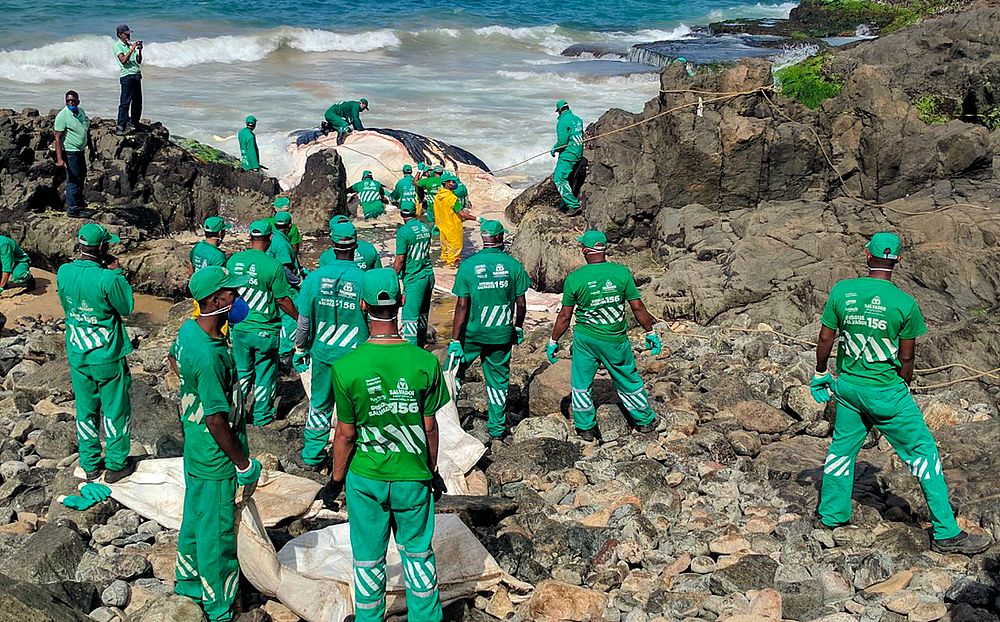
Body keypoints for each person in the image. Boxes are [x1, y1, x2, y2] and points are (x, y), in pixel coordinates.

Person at [810, 232, 990, 555]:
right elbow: (907, 358)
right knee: (923, 452)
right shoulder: (905, 304)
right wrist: (903, 387)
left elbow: (826, 340)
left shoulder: (842, 292)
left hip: (849, 387)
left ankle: (831, 515)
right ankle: (947, 532)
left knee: (841, 450)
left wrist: (821, 373)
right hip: (886, 392)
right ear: (899, 261)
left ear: (868, 256)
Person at [329, 268, 449, 622]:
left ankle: (369, 618)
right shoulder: (425, 362)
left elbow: (346, 434)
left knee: (368, 559)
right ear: (402, 302)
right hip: (413, 477)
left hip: (366, 478)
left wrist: (336, 480)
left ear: (362, 305)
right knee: (418, 555)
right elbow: (429, 426)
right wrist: (432, 470)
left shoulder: (346, 367)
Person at [169, 266, 261, 622]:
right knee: (218, 531)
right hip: (214, 454)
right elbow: (215, 419)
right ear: (217, 300)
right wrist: (242, 464)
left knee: (196, 515)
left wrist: (191, 389)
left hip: (195, 445)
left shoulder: (189, 330)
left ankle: (189, 582)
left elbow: (174, 360)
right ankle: (219, 604)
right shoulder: (209, 356)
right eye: (231, 294)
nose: (237, 299)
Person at [548, 231, 660, 442]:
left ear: (584, 250)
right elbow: (637, 306)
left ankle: (585, 428)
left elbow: (564, 316)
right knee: (627, 378)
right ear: (604, 249)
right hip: (615, 338)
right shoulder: (621, 273)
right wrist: (650, 331)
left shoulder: (574, 279)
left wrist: (553, 340)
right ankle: (644, 421)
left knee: (581, 383)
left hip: (586, 339)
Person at [57, 223, 135, 482]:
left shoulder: (64, 272)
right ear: (102, 248)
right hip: (106, 353)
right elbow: (125, 307)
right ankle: (115, 464)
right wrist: (118, 272)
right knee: (115, 409)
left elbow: (67, 305)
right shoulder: (108, 278)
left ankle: (89, 462)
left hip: (78, 352)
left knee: (86, 409)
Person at [293, 221, 368, 470]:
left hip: (323, 353)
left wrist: (300, 349)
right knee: (358, 408)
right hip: (356, 357)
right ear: (355, 246)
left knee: (320, 405)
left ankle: (312, 455)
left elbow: (304, 323)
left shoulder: (314, 279)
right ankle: (357, 456)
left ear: (331, 246)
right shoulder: (364, 280)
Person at [448, 220, 529, 440]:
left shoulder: (468, 266)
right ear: (501, 238)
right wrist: (518, 326)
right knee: (498, 381)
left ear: (483, 239)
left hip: (473, 334)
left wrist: (455, 339)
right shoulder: (513, 266)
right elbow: (521, 304)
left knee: (454, 373)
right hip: (501, 334)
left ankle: (448, 421)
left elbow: (462, 306)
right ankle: (496, 429)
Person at [225, 220, 298, 427]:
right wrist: (300, 319)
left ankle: (234, 415)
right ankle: (262, 417)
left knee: (242, 372)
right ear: (270, 239)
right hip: (265, 329)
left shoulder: (234, 261)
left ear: (250, 238)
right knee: (265, 373)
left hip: (239, 328)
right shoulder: (273, 266)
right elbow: (282, 300)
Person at [392, 201, 434, 346]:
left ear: (401, 214)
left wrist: (392, 276)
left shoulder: (403, 232)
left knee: (409, 318)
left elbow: (400, 258)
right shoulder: (424, 227)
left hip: (414, 278)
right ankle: (421, 343)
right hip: (428, 274)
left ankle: (411, 350)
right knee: (423, 314)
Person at [269, 211, 304, 368]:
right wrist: (299, 282)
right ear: (290, 226)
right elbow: (285, 270)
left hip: (274, 285)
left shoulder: (273, 238)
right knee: (290, 318)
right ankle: (285, 355)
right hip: (286, 287)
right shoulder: (282, 244)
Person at [53, 90, 91, 218]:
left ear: (78, 101)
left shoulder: (81, 112)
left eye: (73, 101)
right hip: (70, 152)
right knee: (73, 180)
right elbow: (57, 138)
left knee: (81, 176)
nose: (71, 103)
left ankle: (78, 203)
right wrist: (59, 159)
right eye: (68, 101)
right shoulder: (62, 116)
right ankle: (73, 210)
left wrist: (91, 148)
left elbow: (86, 130)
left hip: (80, 151)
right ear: (66, 102)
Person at [433, 176, 476, 268]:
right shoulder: (452, 199)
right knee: (455, 251)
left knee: (445, 250)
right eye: (451, 182)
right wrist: (476, 219)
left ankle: (444, 265)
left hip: (442, 227)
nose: (453, 183)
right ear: (446, 183)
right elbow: (462, 214)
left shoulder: (438, 196)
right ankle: (452, 267)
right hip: (453, 228)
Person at [549, 100, 584, 214]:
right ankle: (564, 204)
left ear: (559, 111)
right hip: (578, 153)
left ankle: (573, 205)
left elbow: (562, 142)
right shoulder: (578, 120)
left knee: (559, 179)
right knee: (569, 178)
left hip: (568, 155)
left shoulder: (562, 121)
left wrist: (554, 149)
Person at [114, 24, 143, 136]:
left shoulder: (129, 45)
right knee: (125, 103)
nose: (128, 35)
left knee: (137, 102)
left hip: (136, 75)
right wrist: (132, 49)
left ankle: (135, 123)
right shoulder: (118, 46)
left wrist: (139, 51)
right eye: (126, 34)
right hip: (127, 76)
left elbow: (138, 61)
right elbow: (123, 60)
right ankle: (120, 125)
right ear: (120, 34)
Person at [416, 164, 443, 229]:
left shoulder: (428, 181)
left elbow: (415, 182)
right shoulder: (444, 181)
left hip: (431, 207)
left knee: (431, 225)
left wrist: (419, 171)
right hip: (441, 208)